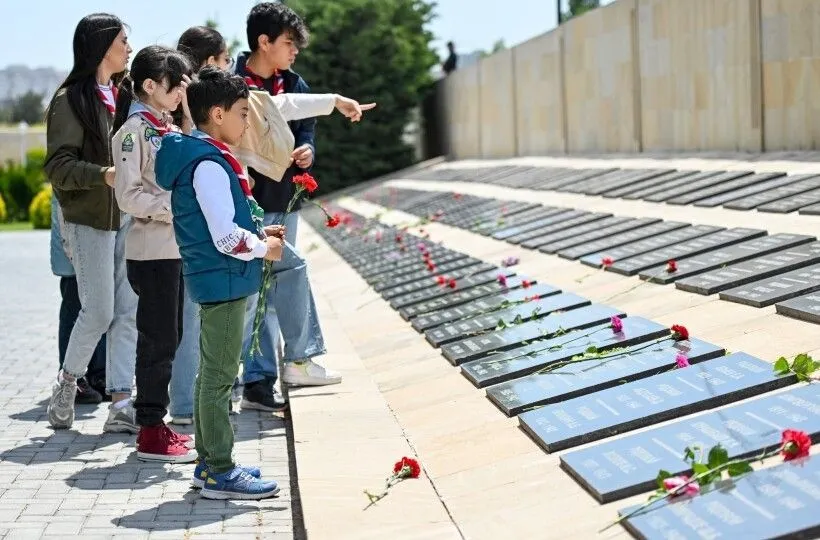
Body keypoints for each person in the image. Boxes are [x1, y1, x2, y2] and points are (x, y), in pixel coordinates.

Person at [155, 66, 284, 499]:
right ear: (216, 112)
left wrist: (259, 236)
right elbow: (225, 236)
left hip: (220, 277)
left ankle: (210, 464)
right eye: (243, 112)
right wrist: (262, 247)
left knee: (212, 373)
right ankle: (220, 472)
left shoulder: (204, 155)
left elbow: (228, 228)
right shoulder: (208, 164)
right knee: (219, 378)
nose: (247, 121)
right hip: (223, 279)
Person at [235, 1, 337, 413]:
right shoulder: (231, 84)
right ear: (264, 42)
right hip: (248, 205)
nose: (294, 51)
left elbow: (305, 127)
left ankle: (275, 372)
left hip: (285, 201)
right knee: (256, 294)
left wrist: (307, 148)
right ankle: (259, 380)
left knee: (278, 290)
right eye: (289, 43)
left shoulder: (295, 83)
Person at [44, 13, 138, 432]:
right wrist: (103, 175)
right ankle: (67, 382)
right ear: (102, 46)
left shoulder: (123, 93)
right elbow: (59, 167)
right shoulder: (70, 100)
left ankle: (121, 403)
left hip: (127, 217)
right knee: (99, 311)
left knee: (127, 311)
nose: (128, 48)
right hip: (88, 220)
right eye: (122, 40)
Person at [112, 45, 197, 462]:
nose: (182, 91)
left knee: (170, 336)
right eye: (175, 84)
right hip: (151, 252)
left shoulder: (165, 127)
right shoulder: (132, 132)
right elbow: (129, 196)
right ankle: (149, 429)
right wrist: (173, 210)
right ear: (149, 85)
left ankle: (155, 423)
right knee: (157, 340)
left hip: (172, 248)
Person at [167, 25, 235, 426]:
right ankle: (188, 406)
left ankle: (189, 403)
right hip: (190, 230)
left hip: (181, 228)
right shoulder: (189, 111)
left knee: (189, 320)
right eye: (225, 60)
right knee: (191, 320)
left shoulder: (179, 102)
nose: (227, 68)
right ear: (208, 62)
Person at [50, 195, 107, 404]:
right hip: (73, 250)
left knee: (101, 308)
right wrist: (72, 252)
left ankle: (99, 375)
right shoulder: (66, 164)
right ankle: (74, 379)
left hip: (95, 246)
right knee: (74, 311)